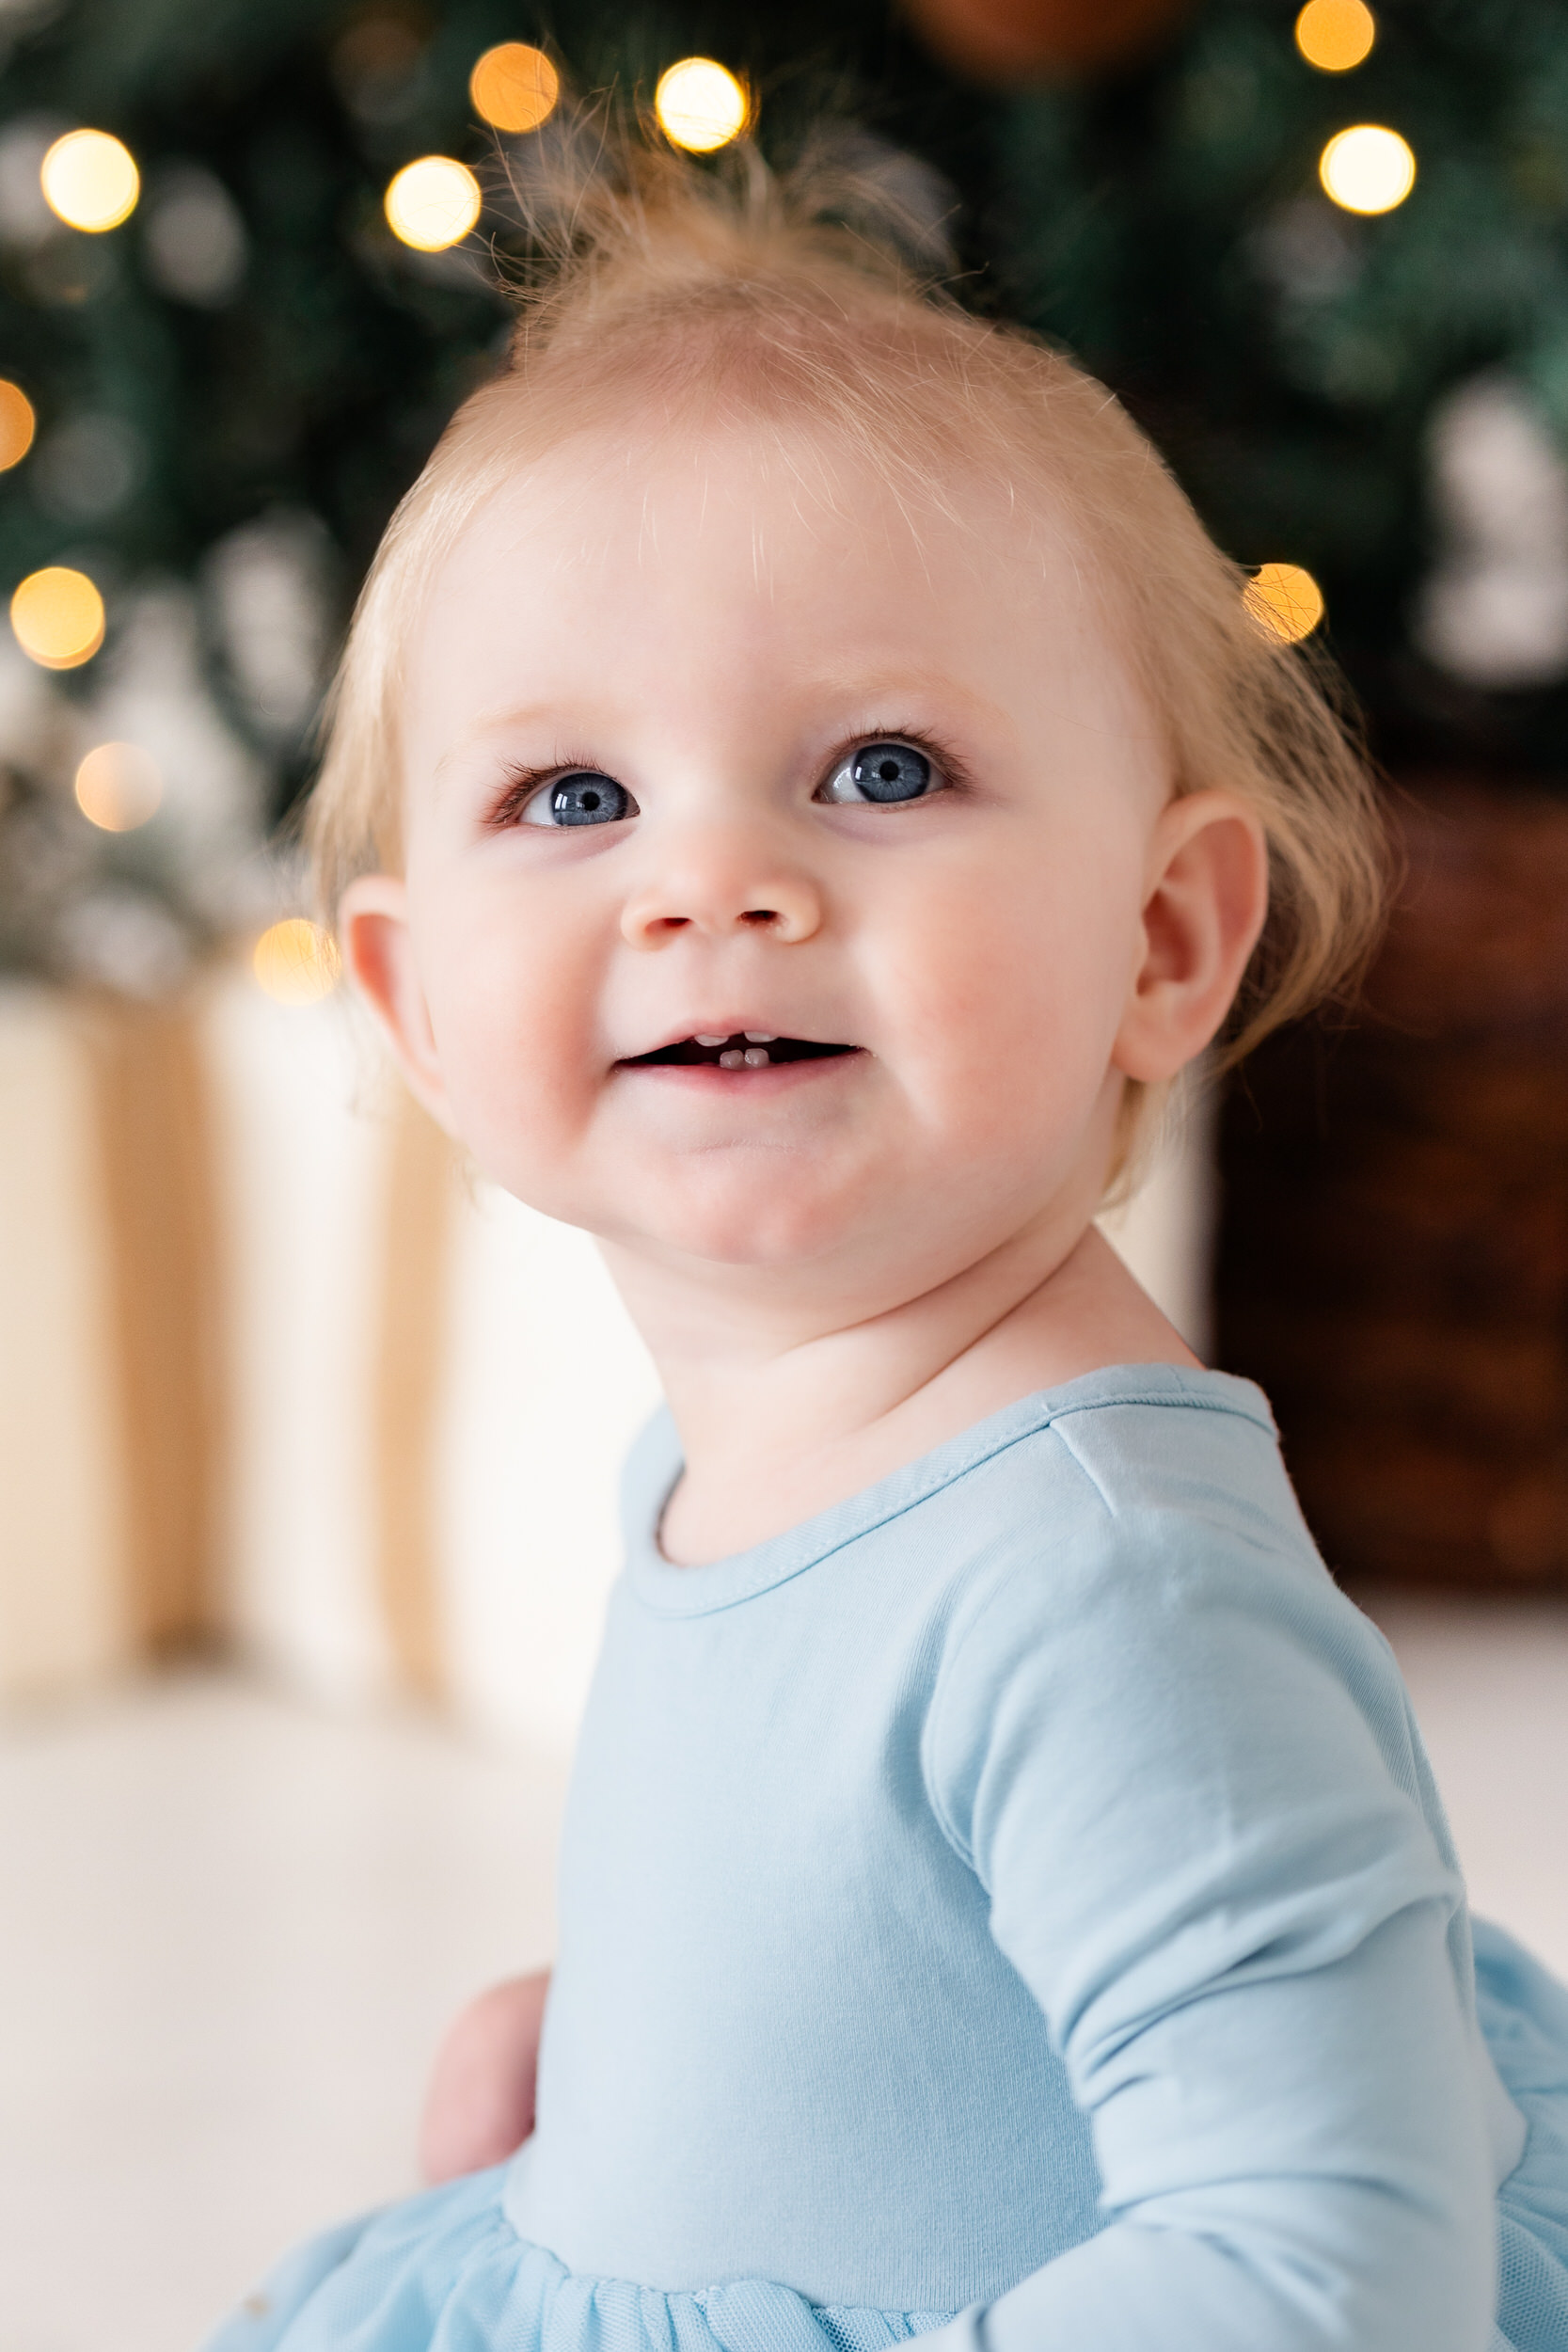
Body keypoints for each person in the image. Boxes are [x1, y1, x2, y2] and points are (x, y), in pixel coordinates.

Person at [206, 126, 1568, 2352]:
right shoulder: (753, 1416)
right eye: (574, 798)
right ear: (417, 1005)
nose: (710, 877)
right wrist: (649, 2050)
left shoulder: (1107, 1584)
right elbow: (872, 1890)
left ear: (1161, 935)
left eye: (880, 770)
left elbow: (1333, 2264)